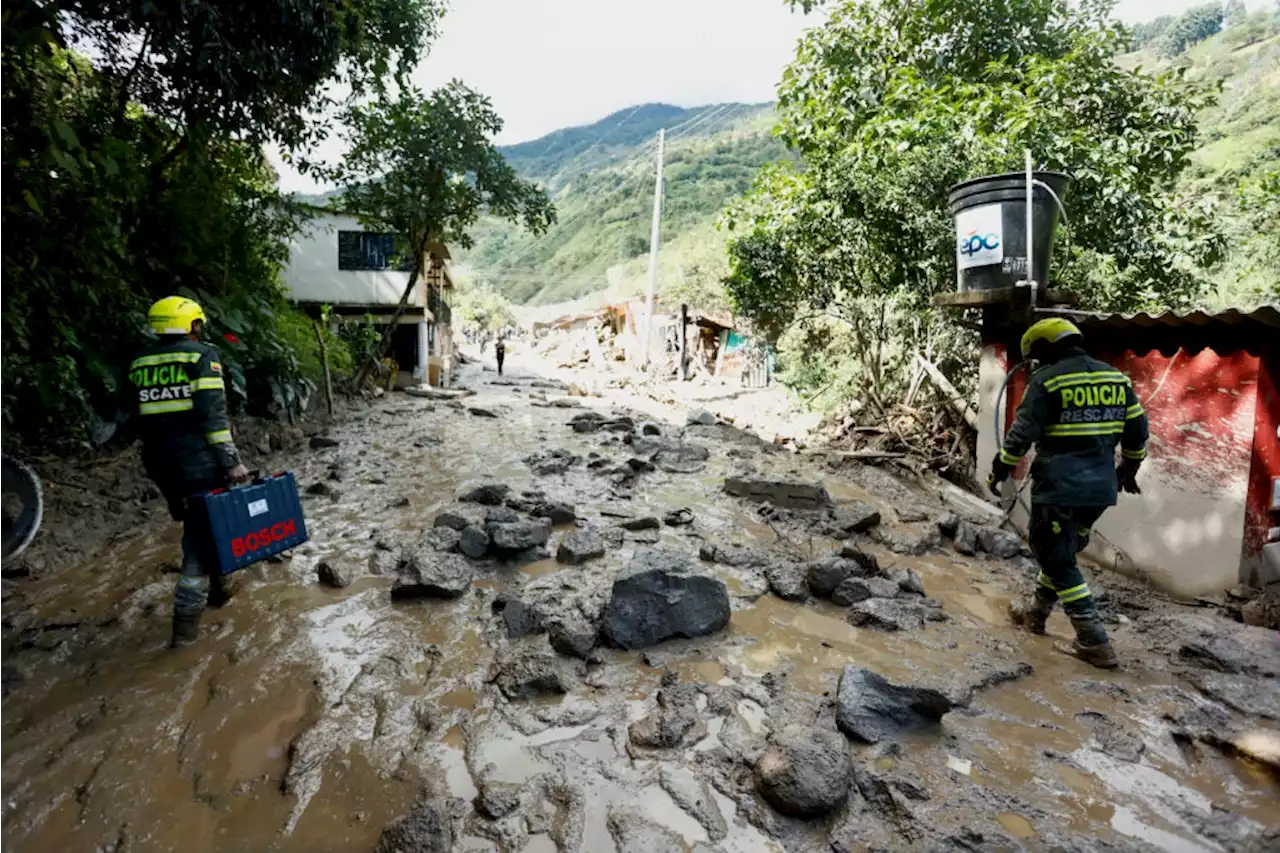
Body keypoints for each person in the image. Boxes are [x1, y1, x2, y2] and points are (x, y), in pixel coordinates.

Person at [987, 318, 1148, 669]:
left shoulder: (1048, 380)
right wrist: (1130, 467)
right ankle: (1036, 614)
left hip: (1060, 487)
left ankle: (1093, 640)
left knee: (1054, 555)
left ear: (1046, 347)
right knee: (1060, 551)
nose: (1035, 363)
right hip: (1100, 491)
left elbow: (1022, 433)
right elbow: (1138, 429)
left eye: (1036, 355)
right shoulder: (1116, 379)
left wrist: (1001, 468)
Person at [128, 296, 250, 647]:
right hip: (200, 463)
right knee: (196, 545)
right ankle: (184, 634)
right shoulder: (202, 357)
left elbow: (136, 416)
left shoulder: (139, 361)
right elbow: (213, 419)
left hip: (160, 465)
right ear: (192, 325)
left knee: (199, 523)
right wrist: (232, 462)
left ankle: (219, 592)